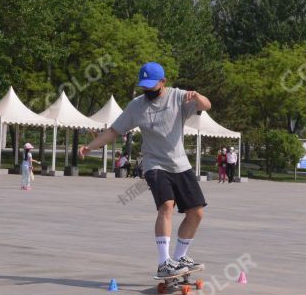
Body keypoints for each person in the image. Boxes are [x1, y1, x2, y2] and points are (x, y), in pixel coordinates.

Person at [80, 62, 211, 278]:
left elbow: (206, 106)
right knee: (166, 206)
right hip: (154, 164)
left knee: (196, 213)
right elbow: (114, 131)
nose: (148, 90)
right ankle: (164, 263)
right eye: (144, 86)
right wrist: (90, 147)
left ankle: (179, 257)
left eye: (152, 86)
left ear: (163, 82)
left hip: (180, 164)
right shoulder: (136, 106)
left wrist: (197, 97)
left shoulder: (178, 97)